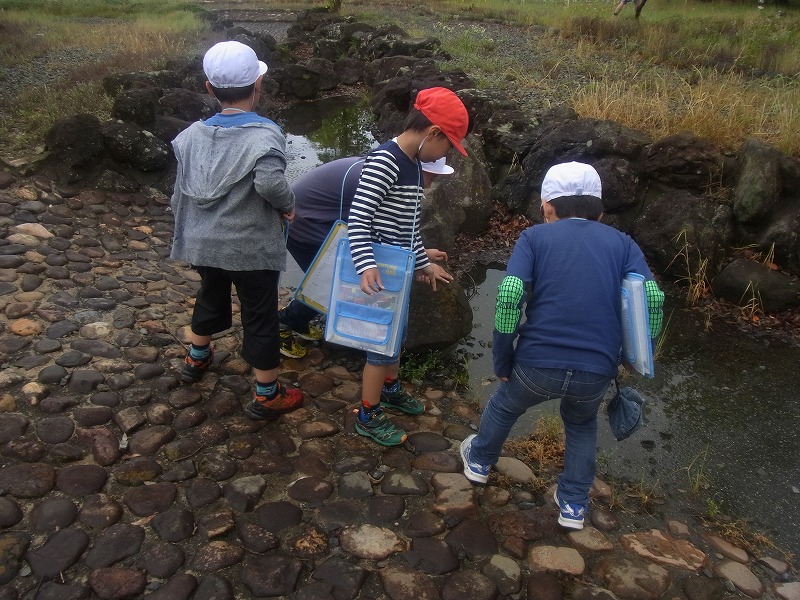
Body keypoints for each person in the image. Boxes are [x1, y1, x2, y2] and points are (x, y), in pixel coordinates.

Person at [459, 161, 664, 529]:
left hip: (537, 365)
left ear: (547, 207)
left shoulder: (534, 238)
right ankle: (572, 504)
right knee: (582, 424)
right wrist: (636, 358)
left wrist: (503, 360)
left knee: (505, 406)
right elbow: (651, 297)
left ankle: (478, 462)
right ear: (599, 210)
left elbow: (508, 295)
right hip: (596, 371)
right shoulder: (623, 244)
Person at [170, 40, 304, 421]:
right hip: (249, 246)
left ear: (209, 88)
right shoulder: (265, 134)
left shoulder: (190, 135)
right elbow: (270, 184)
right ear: (258, 85)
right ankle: (267, 394)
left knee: (209, 294)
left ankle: (195, 359)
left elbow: (179, 192)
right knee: (260, 315)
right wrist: (288, 205)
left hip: (202, 241)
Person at [348, 86, 469, 447]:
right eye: (448, 146)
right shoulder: (384, 161)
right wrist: (365, 263)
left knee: (395, 335)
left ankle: (391, 387)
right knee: (379, 345)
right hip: (377, 270)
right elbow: (359, 216)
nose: (445, 154)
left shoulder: (415, 166)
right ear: (433, 133)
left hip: (398, 268)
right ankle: (368, 415)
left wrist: (423, 263)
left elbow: (410, 227)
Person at [278, 156, 455, 359]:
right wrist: (420, 265)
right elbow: (385, 237)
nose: (430, 184)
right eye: (431, 177)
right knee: (331, 282)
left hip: (324, 215)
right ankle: (283, 323)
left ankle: (298, 320)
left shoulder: (393, 168)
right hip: (305, 223)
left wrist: (420, 254)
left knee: (337, 278)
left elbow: (395, 226)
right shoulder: (388, 180)